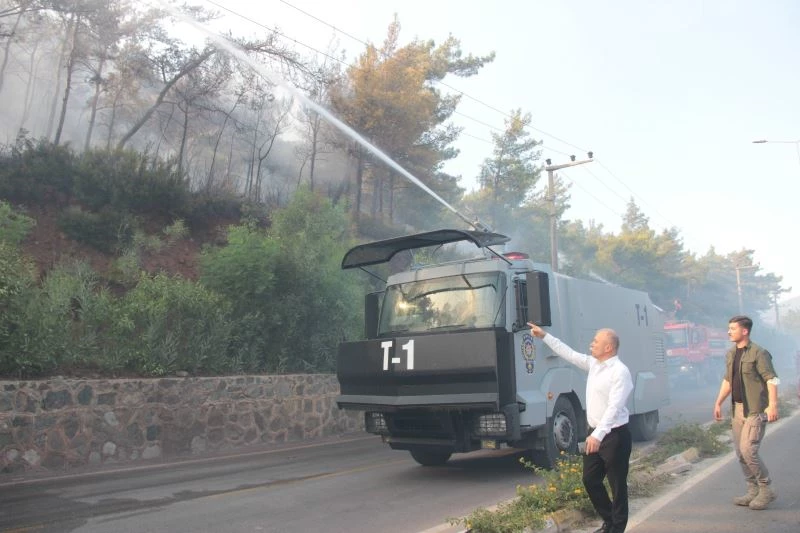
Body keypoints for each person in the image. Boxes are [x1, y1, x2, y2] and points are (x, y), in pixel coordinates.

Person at [528, 323, 633, 533]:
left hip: (615, 436)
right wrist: (545, 336)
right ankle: (609, 520)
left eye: (596, 342)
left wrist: (599, 434)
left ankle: (617, 528)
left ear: (608, 348)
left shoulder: (620, 372)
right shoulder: (594, 364)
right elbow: (569, 354)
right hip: (594, 433)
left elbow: (615, 407)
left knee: (617, 486)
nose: (591, 344)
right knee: (590, 479)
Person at [713, 315, 779, 510]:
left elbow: (772, 379)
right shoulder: (731, 354)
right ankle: (752, 490)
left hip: (755, 409)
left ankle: (766, 490)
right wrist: (718, 402)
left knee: (749, 450)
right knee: (740, 453)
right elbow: (728, 380)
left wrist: (773, 405)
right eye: (728, 328)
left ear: (745, 331)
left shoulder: (759, 353)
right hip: (738, 409)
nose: (728, 332)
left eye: (732, 328)